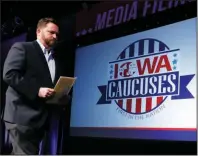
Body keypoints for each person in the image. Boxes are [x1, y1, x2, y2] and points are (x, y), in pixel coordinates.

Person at [2, 17, 69, 155]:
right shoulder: (23, 48)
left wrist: (61, 98)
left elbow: (51, 88)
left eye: (57, 34)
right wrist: (37, 90)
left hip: (40, 120)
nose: (55, 36)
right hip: (21, 116)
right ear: (39, 31)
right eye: (51, 32)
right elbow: (9, 74)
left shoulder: (55, 60)